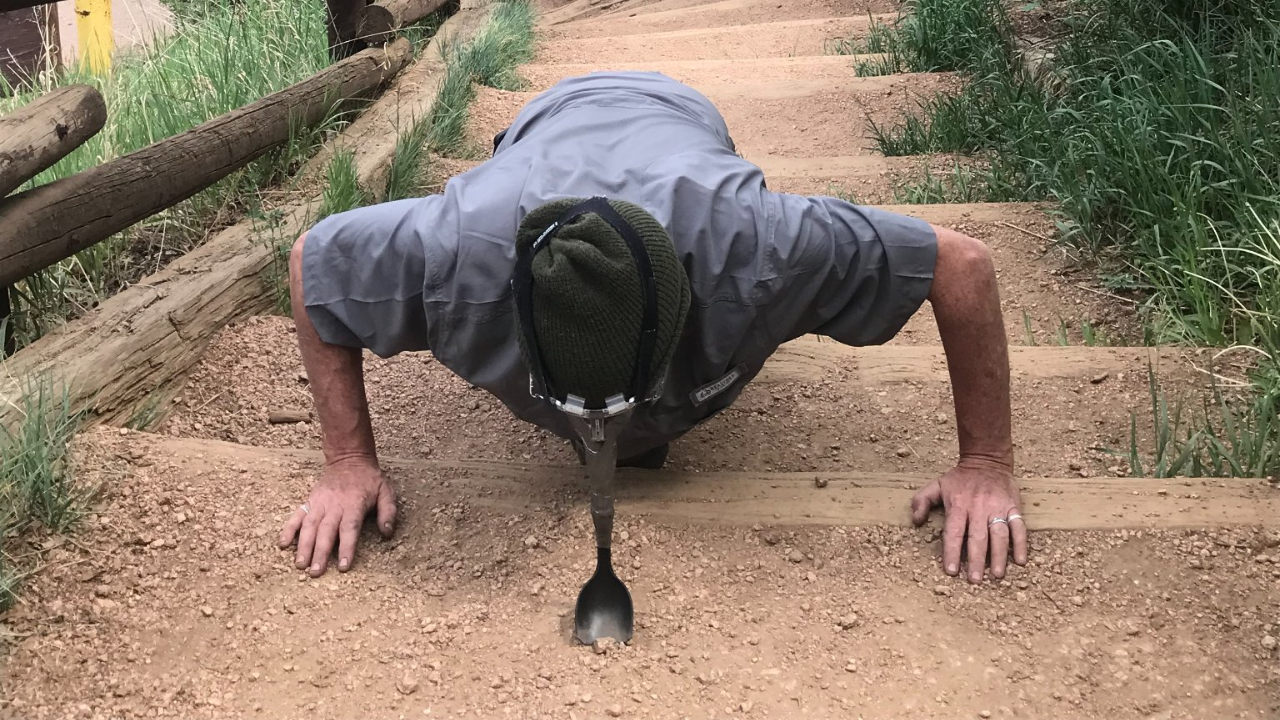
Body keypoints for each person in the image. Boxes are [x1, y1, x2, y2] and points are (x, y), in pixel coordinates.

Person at [276, 71, 1029, 587]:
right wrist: (347, 462)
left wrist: (986, 465)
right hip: (544, 121)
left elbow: (960, 266)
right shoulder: (455, 254)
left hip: (679, 114)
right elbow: (315, 261)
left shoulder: (762, 250)